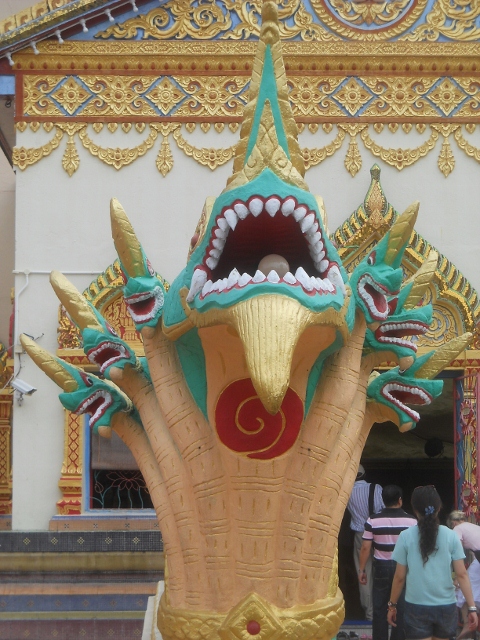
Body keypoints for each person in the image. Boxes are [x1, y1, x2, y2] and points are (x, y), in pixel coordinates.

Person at [388, 486, 478, 640]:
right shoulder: (451, 536)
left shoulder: (405, 536)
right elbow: (462, 574)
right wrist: (471, 608)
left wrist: (392, 605)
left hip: (416, 606)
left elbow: (399, 577)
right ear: (439, 508)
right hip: (446, 606)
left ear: (414, 510)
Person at [358, 485, 416, 640]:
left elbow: (365, 548)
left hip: (381, 568)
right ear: (400, 500)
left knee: (379, 607)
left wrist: (362, 569)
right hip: (403, 568)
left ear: (383, 501)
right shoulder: (411, 521)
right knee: (401, 607)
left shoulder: (373, 520)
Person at [347, 464, 384, 620]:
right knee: (384, 571)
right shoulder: (376, 488)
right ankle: (385, 610)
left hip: (360, 535)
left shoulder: (347, 491)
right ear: (364, 474)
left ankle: (370, 614)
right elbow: (383, 510)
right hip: (379, 534)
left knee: (363, 573)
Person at [447, 510, 480, 638]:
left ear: (453, 523)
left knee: (463, 588)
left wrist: (457, 577)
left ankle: (467, 624)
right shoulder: (473, 526)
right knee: (471, 587)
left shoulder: (457, 529)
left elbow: (458, 554)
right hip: (478, 559)